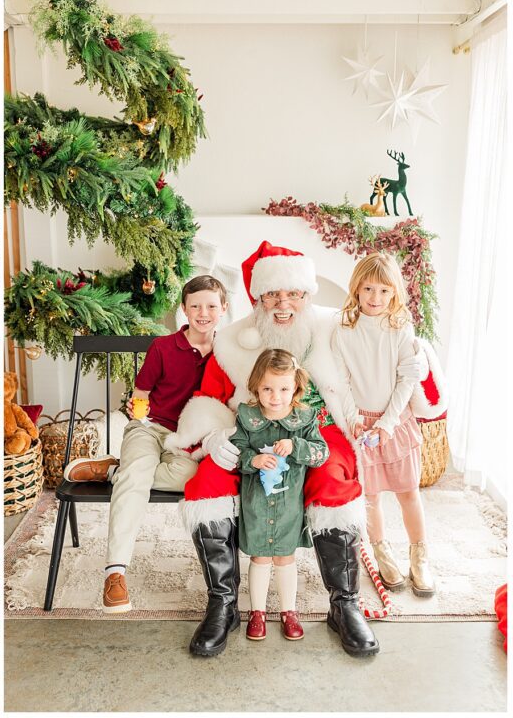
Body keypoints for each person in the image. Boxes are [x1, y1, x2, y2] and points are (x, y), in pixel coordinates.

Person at [164, 240, 445, 658]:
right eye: (272, 294)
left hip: (323, 428)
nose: (283, 304)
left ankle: (344, 604)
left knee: (334, 482)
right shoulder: (231, 343)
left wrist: (421, 359)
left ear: (307, 295)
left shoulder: (339, 326)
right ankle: (223, 604)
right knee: (206, 483)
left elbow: (394, 351)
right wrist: (215, 439)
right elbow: (207, 402)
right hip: (246, 433)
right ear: (258, 298)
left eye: (293, 293)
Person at [63, 276, 228, 613]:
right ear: (183, 309)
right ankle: (115, 573)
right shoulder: (163, 348)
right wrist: (139, 419)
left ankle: (113, 472)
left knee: (185, 478)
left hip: (189, 440)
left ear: (223, 309)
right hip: (150, 428)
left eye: (211, 305)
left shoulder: (228, 351)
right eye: (195, 305)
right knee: (139, 469)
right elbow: (140, 396)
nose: (203, 312)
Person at [331, 253, 435, 596]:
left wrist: (388, 424)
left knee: (408, 493)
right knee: (370, 498)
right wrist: (354, 419)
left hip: (396, 421)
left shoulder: (400, 328)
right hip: (363, 425)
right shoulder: (343, 330)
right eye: (369, 289)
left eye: (384, 292)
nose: (375, 298)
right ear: (357, 289)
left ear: (394, 294)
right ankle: (381, 550)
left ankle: (420, 555)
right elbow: (342, 382)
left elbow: (407, 380)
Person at [230, 348, 328, 642]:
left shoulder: (305, 418)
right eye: (267, 389)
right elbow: (236, 452)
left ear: (296, 386)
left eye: (284, 389)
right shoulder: (247, 417)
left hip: (288, 506)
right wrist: (253, 460)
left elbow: (321, 453)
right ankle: (257, 612)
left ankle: (289, 611)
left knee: (285, 557)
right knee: (260, 557)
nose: (275, 396)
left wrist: (296, 445)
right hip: (256, 503)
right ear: (256, 387)